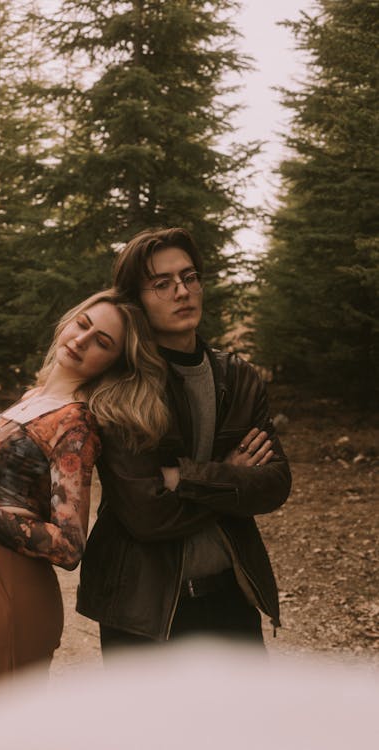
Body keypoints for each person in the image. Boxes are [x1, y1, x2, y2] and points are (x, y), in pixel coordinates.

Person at [0, 290, 169, 723]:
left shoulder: (74, 425)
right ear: (67, 321)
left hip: (8, 589)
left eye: (102, 342)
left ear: (114, 364)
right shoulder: (31, 397)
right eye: (83, 324)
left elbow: (69, 545)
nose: (82, 341)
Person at [76, 227, 292, 650]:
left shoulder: (239, 378)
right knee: (152, 720)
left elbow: (274, 484)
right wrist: (231, 476)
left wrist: (185, 479)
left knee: (245, 718)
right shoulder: (121, 388)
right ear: (136, 300)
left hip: (232, 596)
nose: (182, 291)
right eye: (162, 283)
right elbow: (147, 514)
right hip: (141, 609)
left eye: (189, 277)